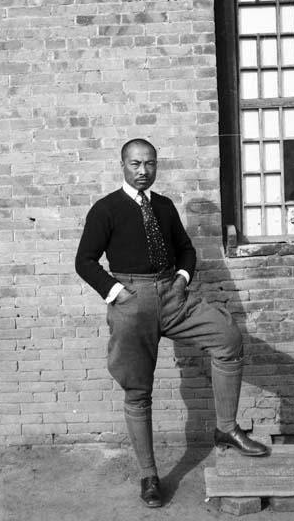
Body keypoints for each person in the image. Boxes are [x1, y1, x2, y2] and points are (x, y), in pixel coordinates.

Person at [75, 138, 268, 509]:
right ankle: (149, 475)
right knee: (137, 391)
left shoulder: (163, 206)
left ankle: (226, 429)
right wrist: (118, 293)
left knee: (228, 338)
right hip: (133, 301)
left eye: (149, 163)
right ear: (123, 166)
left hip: (174, 297)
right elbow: (85, 261)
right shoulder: (106, 209)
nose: (143, 171)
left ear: (156, 165)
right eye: (135, 164)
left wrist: (181, 278)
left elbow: (186, 249)